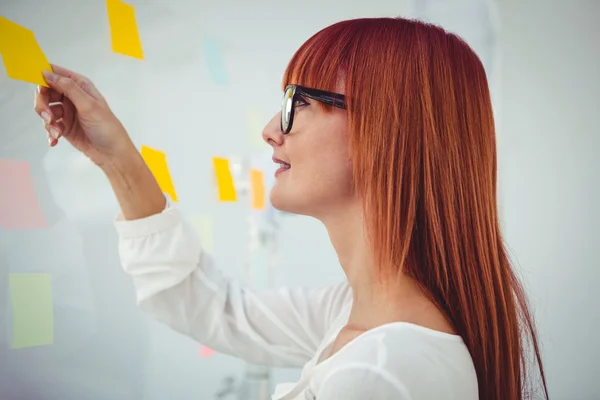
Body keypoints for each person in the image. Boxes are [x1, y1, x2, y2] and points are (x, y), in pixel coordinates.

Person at [33, 17, 549, 400]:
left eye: (297, 103)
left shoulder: (382, 373)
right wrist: (116, 155)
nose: (270, 130)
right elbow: (216, 311)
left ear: (383, 130)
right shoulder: (354, 315)